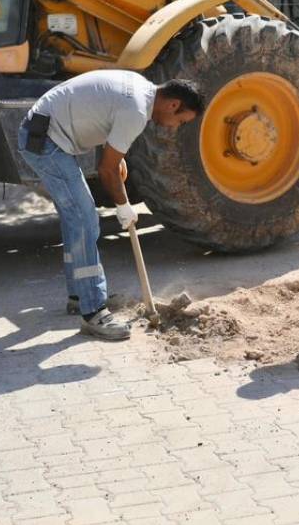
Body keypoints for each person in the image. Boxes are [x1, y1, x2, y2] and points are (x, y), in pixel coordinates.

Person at [18, 70, 205, 340]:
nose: (173, 127)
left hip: (42, 131)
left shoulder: (140, 87)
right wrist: (123, 206)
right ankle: (93, 312)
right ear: (173, 104)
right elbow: (105, 170)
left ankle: (79, 296)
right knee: (85, 220)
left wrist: (116, 158)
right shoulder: (138, 111)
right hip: (46, 142)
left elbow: (104, 114)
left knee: (76, 219)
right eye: (180, 121)